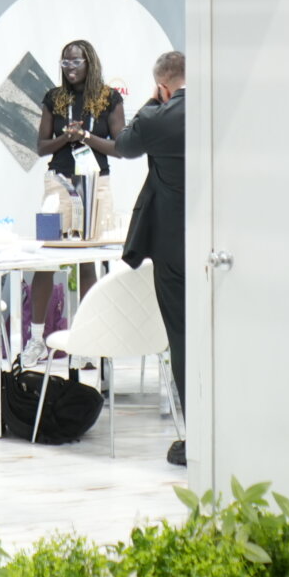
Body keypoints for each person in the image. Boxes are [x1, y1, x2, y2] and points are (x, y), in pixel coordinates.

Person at [117, 49, 186, 466]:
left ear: (162, 86)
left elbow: (125, 144)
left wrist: (152, 100)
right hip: (221, 241)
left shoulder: (159, 118)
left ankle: (197, 437)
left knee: (182, 336)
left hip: (173, 244)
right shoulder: (218, 109)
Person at [36, 40, 127, 186]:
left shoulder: (110, 97)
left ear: (90, 63)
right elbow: (41, 148)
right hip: (59, 181)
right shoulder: (53, 97)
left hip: (97, 182)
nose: (70, 67)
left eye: (76, 62)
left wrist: (84, 136)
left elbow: (121, 149)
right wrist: (66, 137)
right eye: (65, 62)